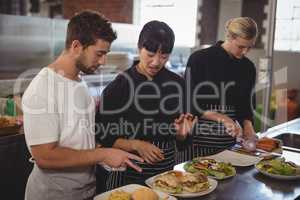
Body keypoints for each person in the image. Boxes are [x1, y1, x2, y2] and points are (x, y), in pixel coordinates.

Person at [22, 10, 143, 200]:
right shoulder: (43, 88)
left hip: (86, 191)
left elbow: (81, 138)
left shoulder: (79, 81)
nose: (103, 61)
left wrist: (112, 154)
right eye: (99, 54)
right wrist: (103, 154)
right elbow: (45, 157)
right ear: (76, 46)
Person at [95, 20, 196, 190]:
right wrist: (136, 145)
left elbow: (183, 141)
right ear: (139, 48)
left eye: (164, 56)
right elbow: (103, 137)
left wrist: (182, 134)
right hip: (126, 173)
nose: (156, 62)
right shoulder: (119, 86)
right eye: (150, 54)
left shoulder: (177, 84)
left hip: (166, 174)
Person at [182, 17, 258, 161]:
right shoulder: (199, 59)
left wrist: (248, 127)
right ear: (229, 37)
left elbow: (246, 106)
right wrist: (222, 118)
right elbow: (189, 103)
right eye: (241, 46)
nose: (245, 52)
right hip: (197, 144)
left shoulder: (248, 67)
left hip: (228, 145)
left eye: (250, 47)